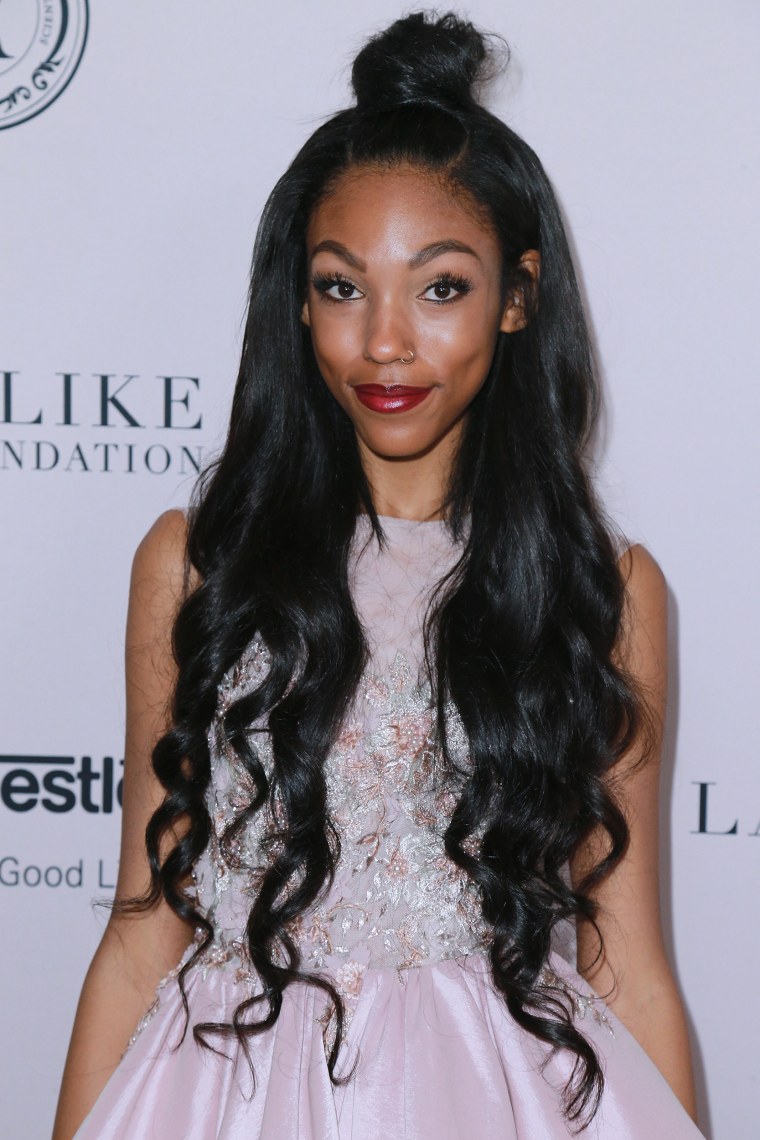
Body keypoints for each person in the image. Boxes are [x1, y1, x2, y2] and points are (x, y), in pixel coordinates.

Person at [54, 12, 703, 1139]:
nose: (385, 342)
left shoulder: (607, 590)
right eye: (342, 287)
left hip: (500, 1096)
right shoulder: (195, 562)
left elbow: (628, 964)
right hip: (225, 1097)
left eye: (439, 288)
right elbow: (137, 932)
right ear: (296, 303)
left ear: (516, 296)